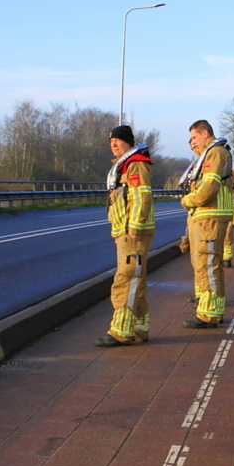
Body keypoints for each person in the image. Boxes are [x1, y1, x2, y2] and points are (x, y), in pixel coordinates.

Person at [95, 125, 155, 347]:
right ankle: (140, 327)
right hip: (126, 230)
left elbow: (141, 196)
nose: (113, 144)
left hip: (133, 231)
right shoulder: (125, 165)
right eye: (111, 141)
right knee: (135, 278)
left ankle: (121, 331)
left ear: (128, 142)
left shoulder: (135, 163)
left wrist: (135, 226)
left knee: (126, 279)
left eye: (118, 140)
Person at [181, 119, 234, 329]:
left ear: (205, 133)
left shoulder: (216, 153)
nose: (191, 142)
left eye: (194, 137)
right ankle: (211, 308)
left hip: (210, 216)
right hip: (206, 216)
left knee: (208, 264)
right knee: (206, 263)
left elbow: (209, 186)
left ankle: (209, 314)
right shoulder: (210, 153)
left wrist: (188, 200)